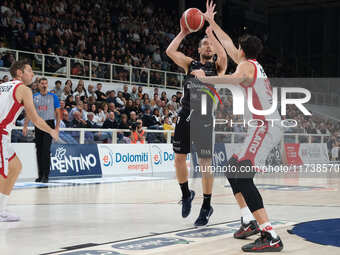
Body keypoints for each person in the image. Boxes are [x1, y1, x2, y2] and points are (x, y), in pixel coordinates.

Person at [193, 1, 284, 252]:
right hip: (262, 126)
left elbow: (233, 79)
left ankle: (270, 235)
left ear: (243, 52)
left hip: (265, 126)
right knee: (233, 169)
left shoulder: (245, 67)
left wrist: (206, 78)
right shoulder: (251, 63)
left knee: (241, 174)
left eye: (238, 48)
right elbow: (229, 44)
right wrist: (211, 24)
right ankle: (248, 220)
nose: (235, 50)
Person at [165, 2, 227, 226]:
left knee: (204, 163)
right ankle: (186, 194)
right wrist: (183, 31)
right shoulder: (189, 64)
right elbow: (170, 51)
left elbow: (225, 55)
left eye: (210, 45)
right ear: (199, 50)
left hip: (204, 118)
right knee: (179, 159)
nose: (208, 46)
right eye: (204, 44)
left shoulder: (218, 68)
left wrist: (211, 28)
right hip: (185, 114)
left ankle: (207, 205)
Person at [0, 60, 58, 222]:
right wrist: (51, 130)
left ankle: (2, 210)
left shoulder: (3, 86)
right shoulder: (23, 89)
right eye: (29, 70)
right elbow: (36, 119)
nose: (33, 74)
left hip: (4, 134)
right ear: (19, 73)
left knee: (15, 167)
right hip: (1, 132)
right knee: (3, 173)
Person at [23, 77, 60, 183]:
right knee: (39, 150)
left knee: (45, 150)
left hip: (49, 124)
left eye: (45, 83)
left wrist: (57, 127)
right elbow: (29, 112)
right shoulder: (34, 97)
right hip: (38, 124)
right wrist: (25, 125)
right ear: (38, 85)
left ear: (47, 85)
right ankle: (40, 175)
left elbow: (58, 112)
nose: (44, 85)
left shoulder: (53, 96)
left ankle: (46, 175)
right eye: (42, 83)